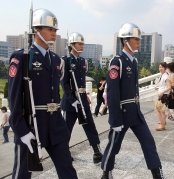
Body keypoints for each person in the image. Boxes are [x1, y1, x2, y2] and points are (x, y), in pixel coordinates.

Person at [8, 9, 78, 179]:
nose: (54, 33)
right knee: (22, 174)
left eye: (55, 30)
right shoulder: (22, 57)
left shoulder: (55, 60)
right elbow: (14, 97)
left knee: (67, 169)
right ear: (36, 30)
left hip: (55, 123)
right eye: (50, 29)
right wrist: (21, 130)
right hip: (32, 124)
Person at [100, 23, 164, 179]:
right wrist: (114, 119)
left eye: (138, 39)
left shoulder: (133, 61)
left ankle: (157, 173)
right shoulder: (117, 62)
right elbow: (113, 92)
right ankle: (106, 173)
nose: (138, 42)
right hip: (121, 113)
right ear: (125, 41)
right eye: (135, 39)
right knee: (114, 145)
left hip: (135, 112)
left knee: (148, 142)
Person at [61, 32, 103, 163]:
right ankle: (64, 153)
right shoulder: (66, 61)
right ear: (72, 45)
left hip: (82, 99)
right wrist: (72, 100)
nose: (82, 46)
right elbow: (64, 83)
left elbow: (82, 82)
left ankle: (96, 151)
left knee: (90, 125)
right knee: (66, 129)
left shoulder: (83, 61)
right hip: (71, 102)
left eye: (83, 44)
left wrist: (85, 97)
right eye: (79, 44)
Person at [155, 62, 171, 131]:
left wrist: (162, 92)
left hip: (163, 95)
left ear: (165, 68)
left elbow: (169, 87)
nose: (160, 68)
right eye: (159, 67)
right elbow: (163, 86)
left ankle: (162, 124)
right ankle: (163, 124)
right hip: (162, 94)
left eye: (162, 67)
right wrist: (158, 88)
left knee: (157, 109)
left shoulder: (165, 76)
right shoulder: (162, 75)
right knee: (162, 111)